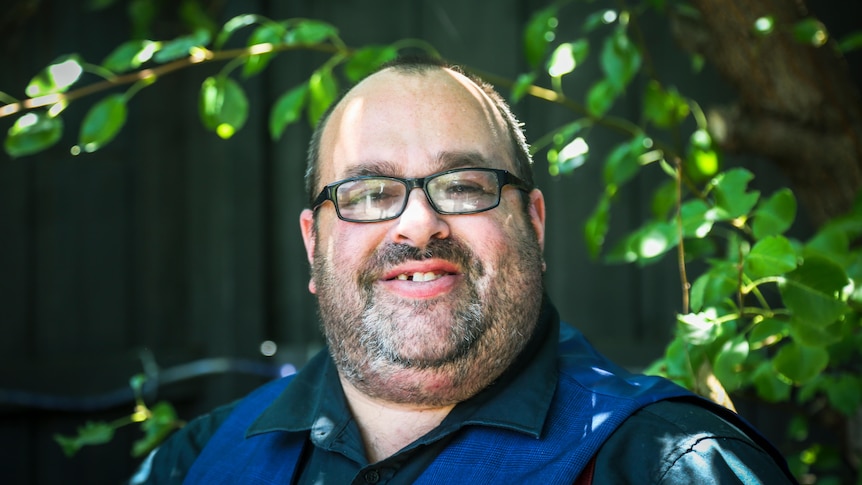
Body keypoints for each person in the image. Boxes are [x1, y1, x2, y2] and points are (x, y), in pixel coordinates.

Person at [133, 57, 796, 484]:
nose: (419, 224)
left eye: (464, 183)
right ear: (313, 244)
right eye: (368, 192)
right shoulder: (195, 464)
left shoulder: (671, 465)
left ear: (534, 224)